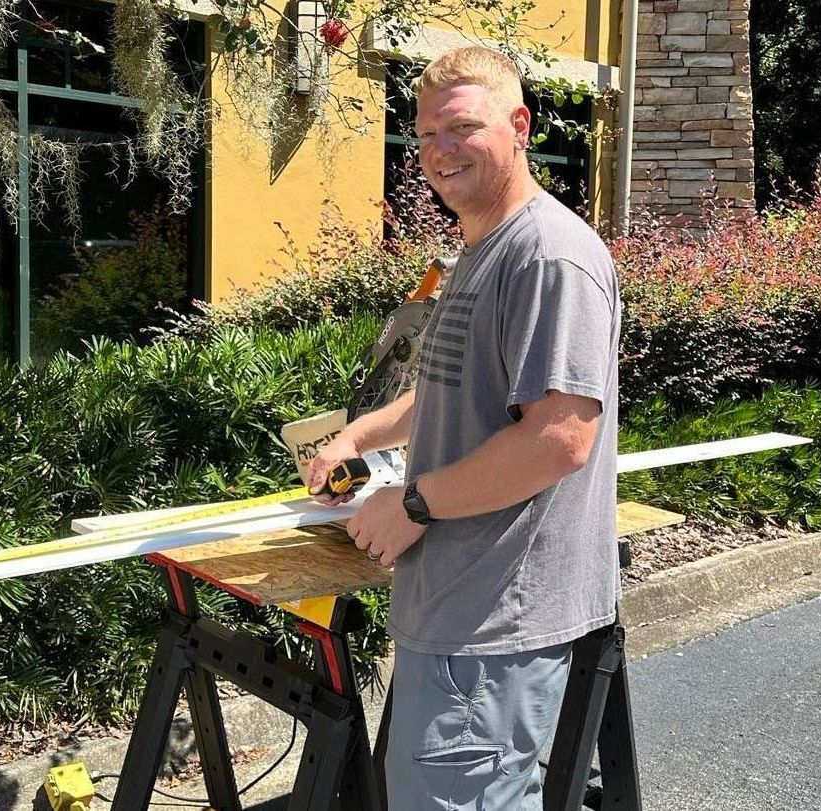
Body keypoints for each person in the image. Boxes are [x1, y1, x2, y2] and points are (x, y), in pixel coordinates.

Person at [307, 45, 621, 811]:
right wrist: (357, 437)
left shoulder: (549, 256)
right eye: (423, 137)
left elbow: (558, 438)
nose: (438, 153)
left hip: (494, 617)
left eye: (461, 129)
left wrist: (412, 505)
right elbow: (447, 389)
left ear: (518, 125)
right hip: (456, 600)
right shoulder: (480, 248)